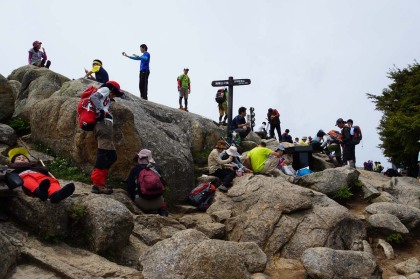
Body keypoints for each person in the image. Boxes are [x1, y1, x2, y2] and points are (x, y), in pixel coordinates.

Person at [90, 81, 124, 194]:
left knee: (111, 156)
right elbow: (94, 97)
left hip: (106, 125)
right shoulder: (106, 89)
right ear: (112, 89)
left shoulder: (108, 97)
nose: (114, 95)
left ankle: (101, 181)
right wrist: (100, 111)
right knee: (103, 154)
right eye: (115, 92)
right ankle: (97, 184)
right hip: (102, 125)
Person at [7, 147, 75, 203]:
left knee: (51, 181)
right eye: (18, 158)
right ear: (13, 162)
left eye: (24, 158)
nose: (22, 159)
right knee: (28, 180)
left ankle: (56, 195)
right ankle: (40, 192)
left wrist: (43, 168)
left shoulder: (35, 167)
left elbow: (45, 172)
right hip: (25, 176)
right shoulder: (13, 169)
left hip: (40, 177)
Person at [126, 149, 168, 216]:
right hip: (158, 203)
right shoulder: (157, 169)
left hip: (142, 204)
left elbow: (130, 188)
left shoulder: (135, 170)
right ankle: (163, 210)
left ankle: (146, 211)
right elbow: (163, 187)